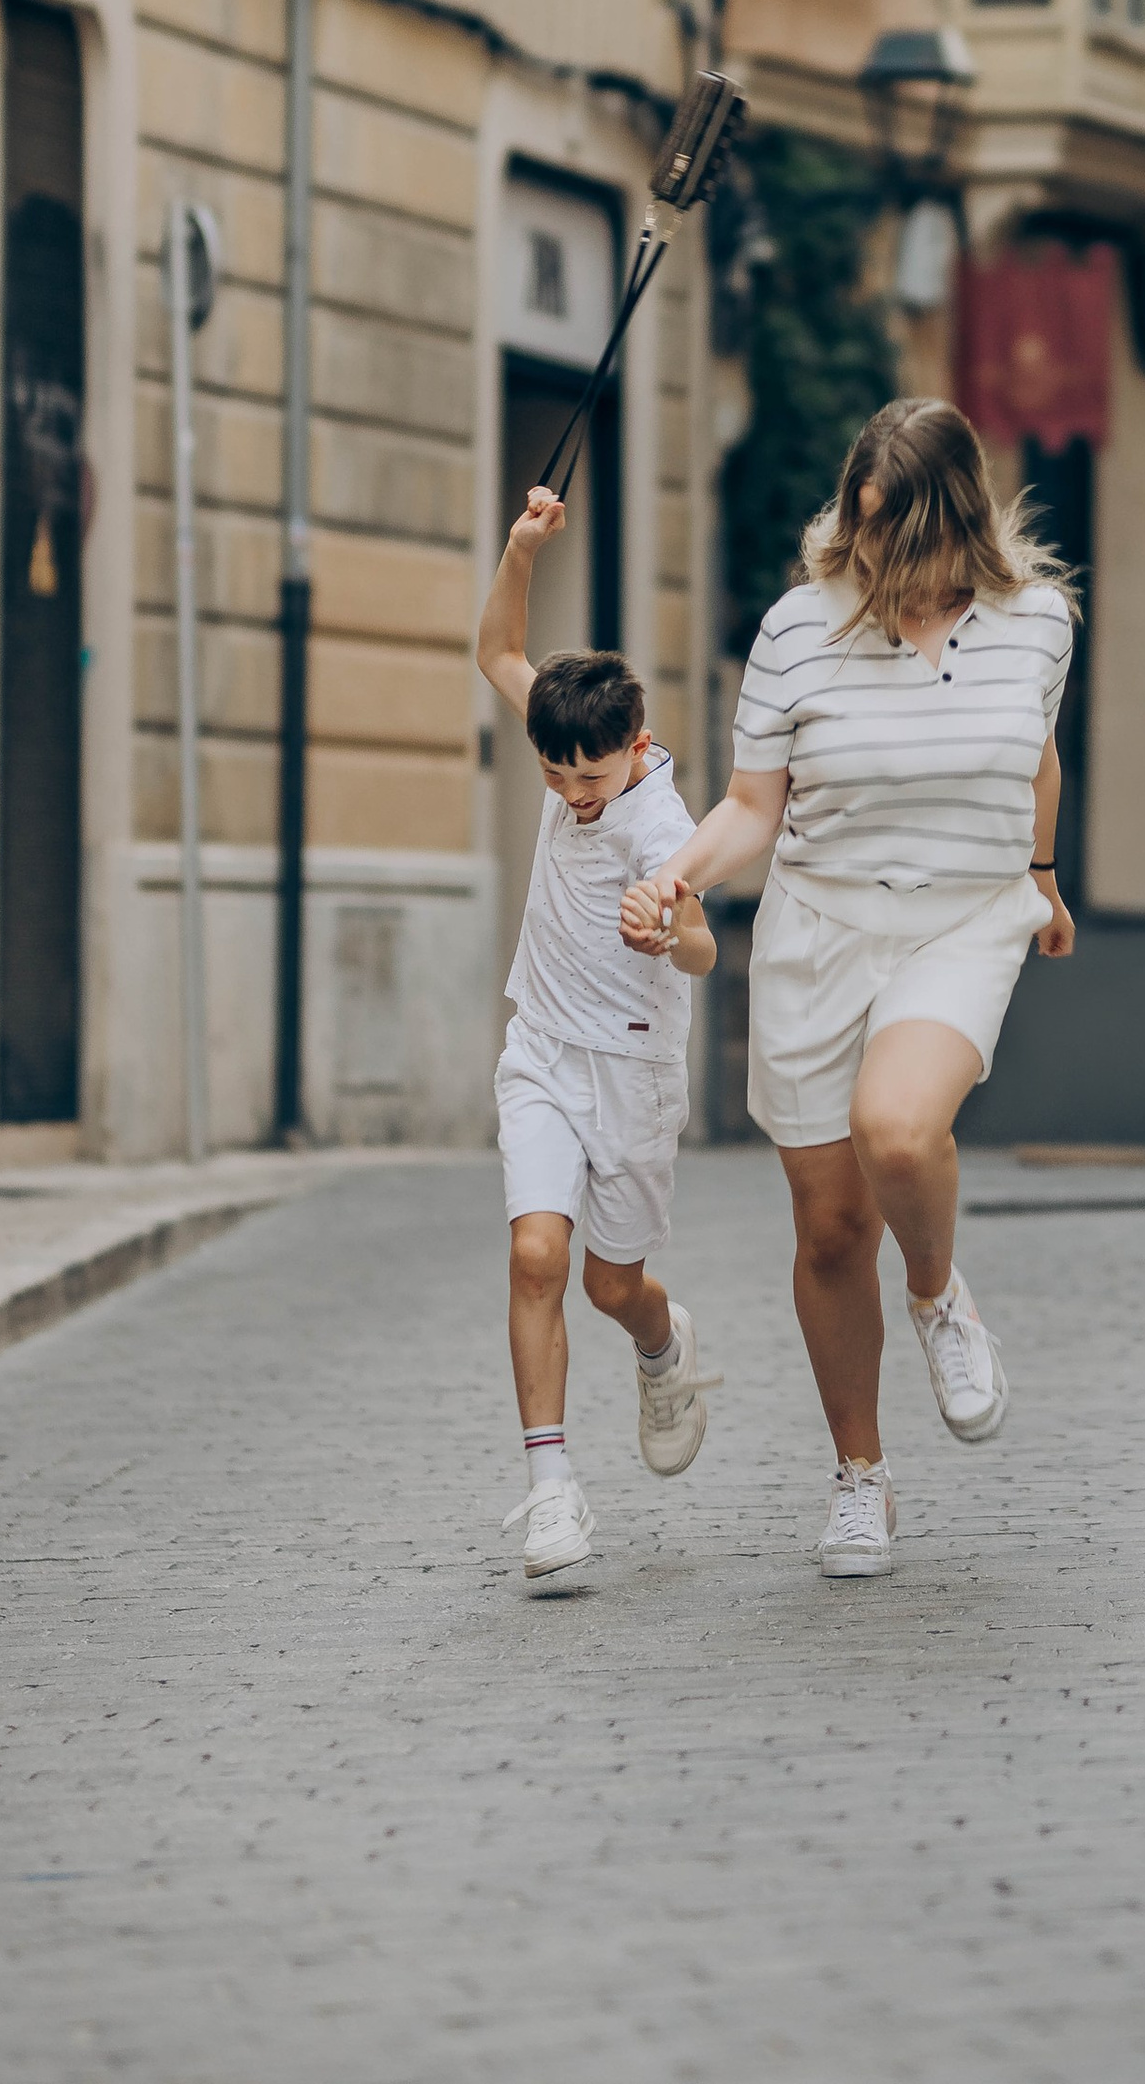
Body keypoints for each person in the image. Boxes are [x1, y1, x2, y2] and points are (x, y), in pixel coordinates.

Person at [623, 399, 1075, 1578]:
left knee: (899, 1128)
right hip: (821, 927)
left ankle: (936, 1296)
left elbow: (1037, 754)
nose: (870, 554)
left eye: (894, 533)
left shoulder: (1039, 624)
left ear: (952, 522)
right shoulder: (794, 630)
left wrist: (1042, 875)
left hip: (964, 920)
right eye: (859, 527)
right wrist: (674, 874)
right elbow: (752, 807)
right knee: (829, 1229)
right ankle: (860, 1478)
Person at [477, 486, 722, 1590]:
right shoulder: (565, 738)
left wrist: (668, 923)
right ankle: (550, 1494)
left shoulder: (661, 824)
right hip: (541, 1053)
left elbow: (709, 956)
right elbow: (498, 646)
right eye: (555, 772)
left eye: (593, 772)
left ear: (638, 746)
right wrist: (521, 547)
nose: (575, 792)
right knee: (537, 1254)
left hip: (630, 1073)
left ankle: (663, 1350)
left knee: (610, 1285)